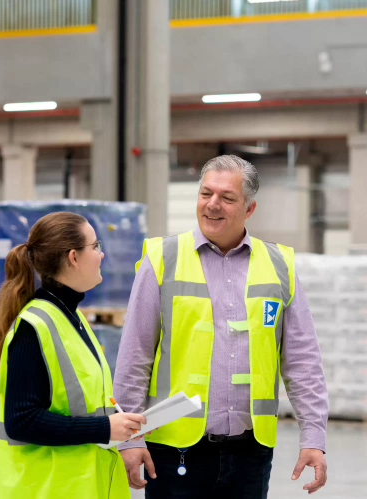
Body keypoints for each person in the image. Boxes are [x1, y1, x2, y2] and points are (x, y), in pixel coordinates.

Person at [113, 155, 329, 498]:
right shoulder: (162, 259)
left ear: (249, 208)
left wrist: (314, 438)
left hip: (250, 454)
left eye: (227, 198)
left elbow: (303, 362)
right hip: (175, 452)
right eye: (205, 194)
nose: (213, 205)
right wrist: (129, 438)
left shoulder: (279, 266)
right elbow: (134, 357)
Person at [0, 212, 145, 499]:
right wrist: (104, 427)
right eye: (95, 246)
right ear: (73, 257)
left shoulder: (72, 319)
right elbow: (21, 421)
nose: (102, 254)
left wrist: (119, 427)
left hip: (83, 486)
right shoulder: (34, 327)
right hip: (47, 489)